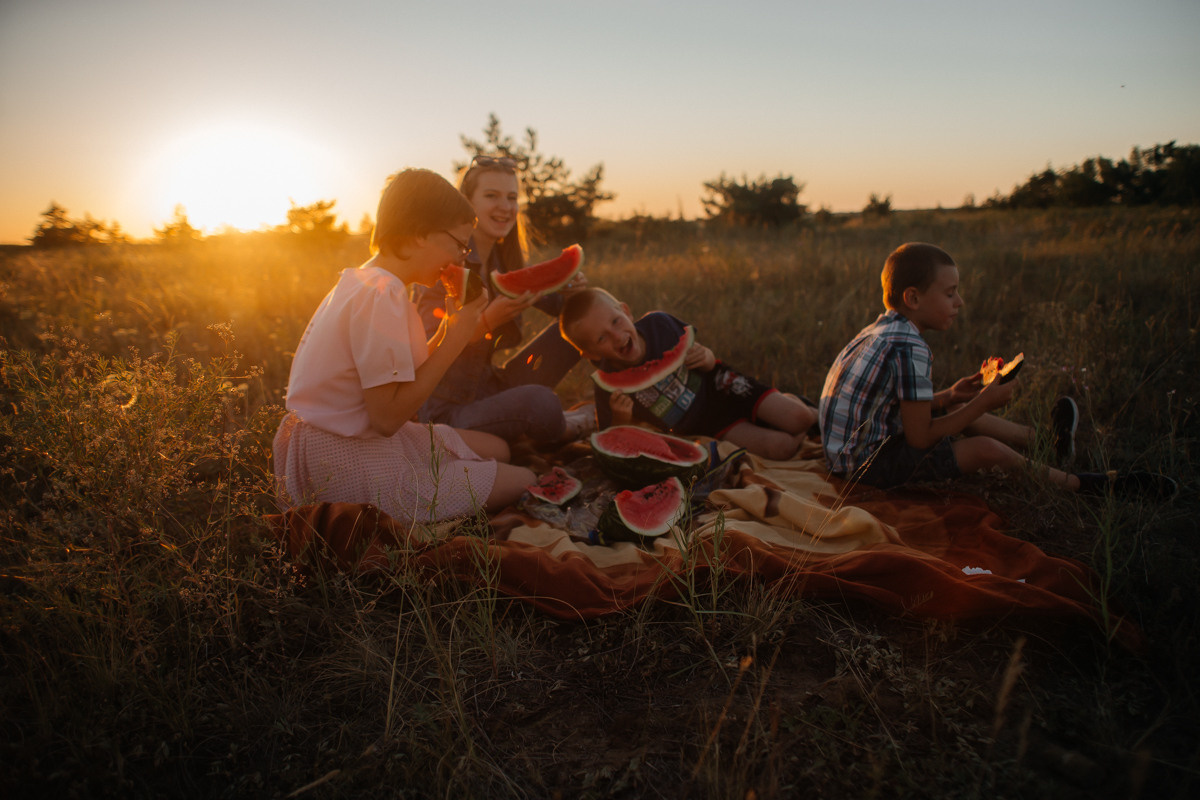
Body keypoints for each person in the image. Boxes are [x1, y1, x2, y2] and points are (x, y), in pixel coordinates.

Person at [272, 168, 536, 524]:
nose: (461, 258)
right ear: (416, 236)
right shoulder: (384, 295)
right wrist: (457, 339)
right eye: (458, 244)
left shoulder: (365, 279)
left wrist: (447, 328)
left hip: (330, 441)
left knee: (498, 449)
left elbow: (393, 374)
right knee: (525, 480)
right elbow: (387, 418)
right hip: (343, 459)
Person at [818, 241, 1176, 498]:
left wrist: (952, 396)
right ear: (912, 298)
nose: (960, 302)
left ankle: (1045, 442)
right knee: (985, 448)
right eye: (950, 293)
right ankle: (1085, 485)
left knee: (957, 407)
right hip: (863, 468)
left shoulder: (880, 329)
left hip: (847, 452)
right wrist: (984, 402)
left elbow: (896, 408)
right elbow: (920, 438)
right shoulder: (910, 347)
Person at [410, 154, 593, 446]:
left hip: (489, 387)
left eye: (512, 197)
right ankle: (566, 429)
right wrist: (484, 323)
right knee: (541, 402)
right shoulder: (444, 265)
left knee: (582, 324)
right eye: (492, 196)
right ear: (466, 202)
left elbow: (559, 307)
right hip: (446, 411)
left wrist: (571, 289)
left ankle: (624, 399)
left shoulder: (500, 260)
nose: (506, 207)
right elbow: (424, 350)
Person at [559, 287, 818, 460]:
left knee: (801, 417)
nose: (617, 336)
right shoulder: (607, 387)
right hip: (709, 425)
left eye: (616, 321)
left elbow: (702, 354)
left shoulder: (660, 324)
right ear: (591, 354)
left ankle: (799, 409)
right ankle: (783, 422)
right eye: (602, 338)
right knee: (780, 448)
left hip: (724, 385)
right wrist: (620, 417)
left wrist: (706, 357)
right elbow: (613, 439)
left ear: (626, 311)